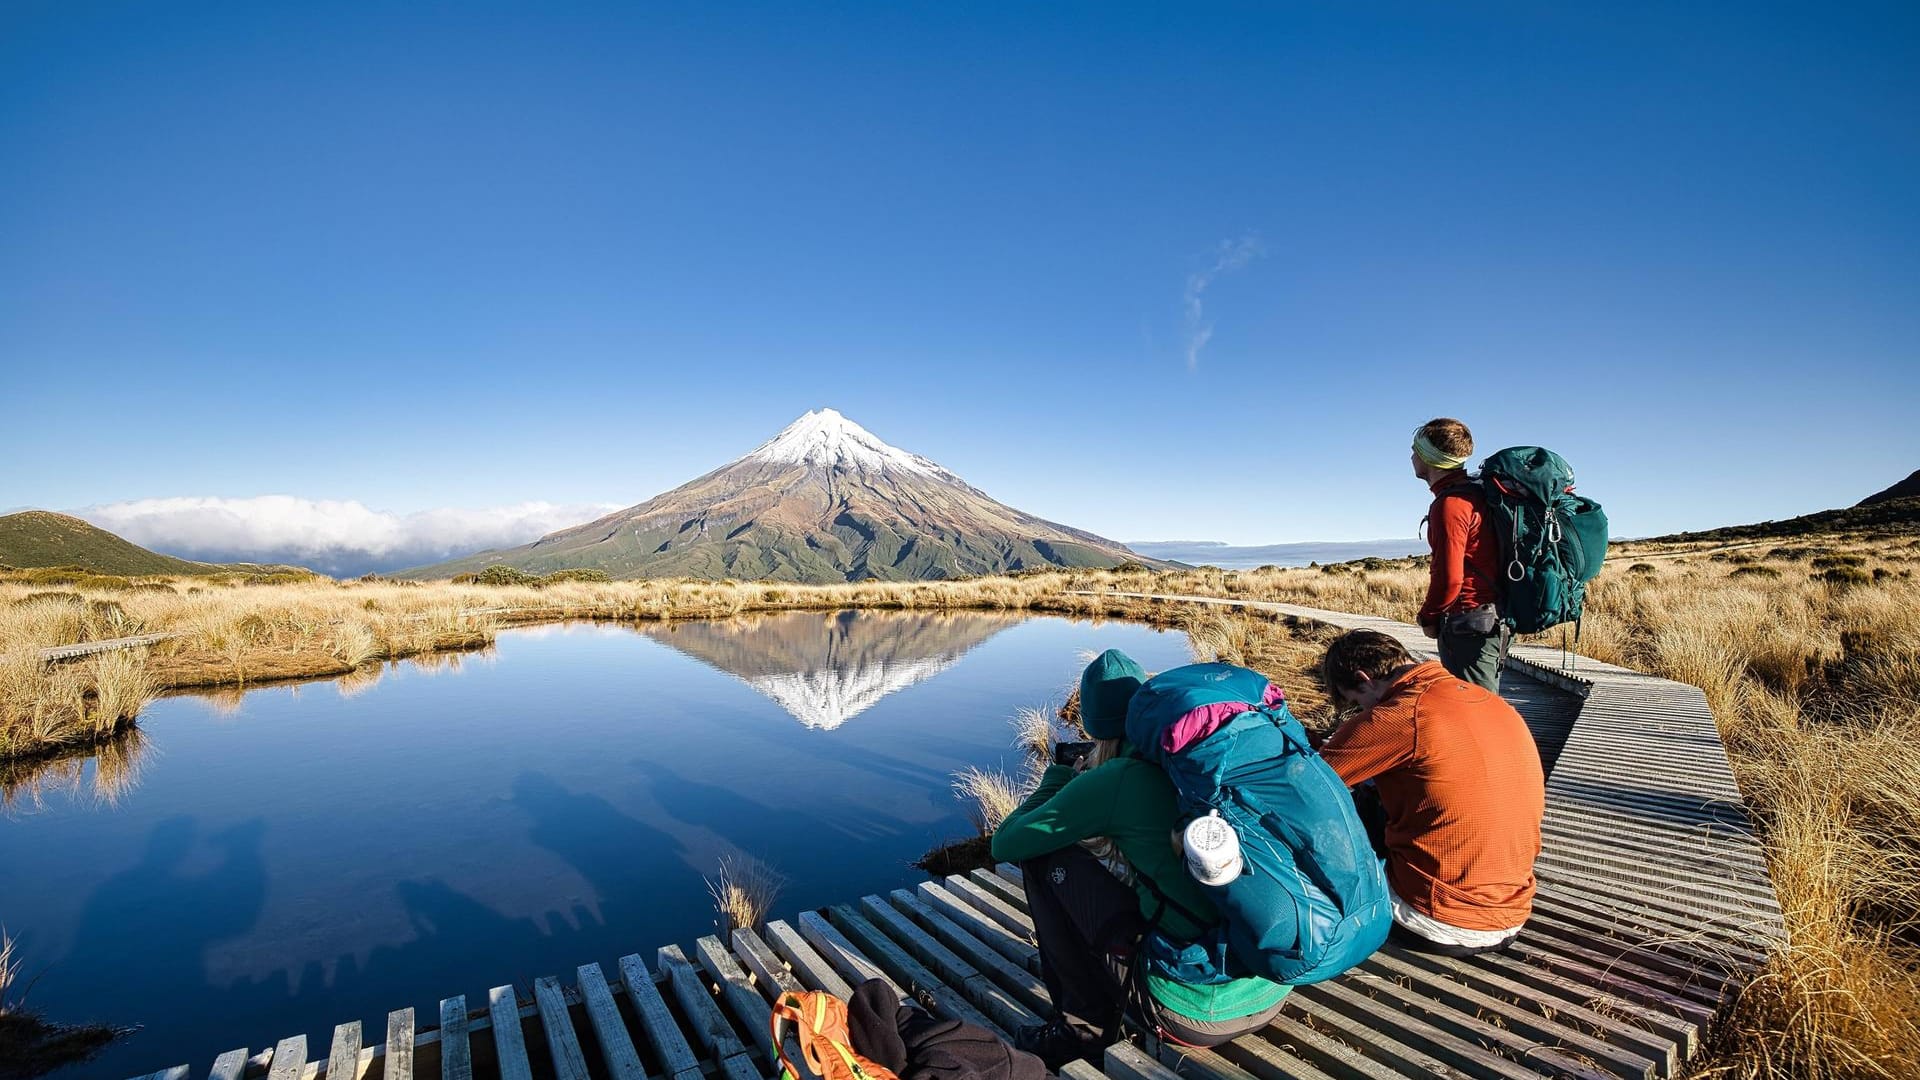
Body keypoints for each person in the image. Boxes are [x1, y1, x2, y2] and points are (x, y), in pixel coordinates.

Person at [989, 650, 1289, 1069]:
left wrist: (1055, 779)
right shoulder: (1196, 758)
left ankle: (1081, 1027)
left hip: (1193, 1014)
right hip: (1270, 983)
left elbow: (1005, 843)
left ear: (1095, 726)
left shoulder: (1117, 779)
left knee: (1044, 855)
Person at [1316, 629, 1544, 956]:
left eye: (1356, 703)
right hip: (1512, 911)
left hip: (1438, 918)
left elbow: (1305, 785)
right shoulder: (1490, 701)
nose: (1361, 712)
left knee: (1333, 811)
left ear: (1364, 680)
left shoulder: (1397, 715)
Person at [1411, 417, 1506, 692]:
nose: (1412, 456)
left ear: (1430, 457)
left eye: (1416, 450)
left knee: (1474, 707)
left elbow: (1450, 579)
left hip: (1469, 621)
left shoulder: (1450, 505)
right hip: (1489, 617)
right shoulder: (1473, 493)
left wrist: (1429, 617)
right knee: (1481, 702)